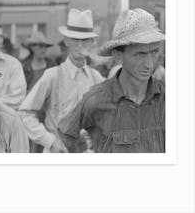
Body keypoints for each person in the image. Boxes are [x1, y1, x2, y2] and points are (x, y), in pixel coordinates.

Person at [58, 8, 165, 153]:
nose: (149, 64)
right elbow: (66, 132)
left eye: (154, 52)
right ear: (118, 56)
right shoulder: (96, 99)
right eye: (140, 54)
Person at [19, 8, 105, 153]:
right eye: (75, 39)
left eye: (84, 40)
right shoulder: (52, 75)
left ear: (91, 42)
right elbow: (25, 114)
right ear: (66, 41)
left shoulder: (96, 78)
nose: (79, 45)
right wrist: (50, 141)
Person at [21, 31, 56, 152]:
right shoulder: (24, 67)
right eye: (40, 46)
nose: (43, 49)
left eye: (45, 46)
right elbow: (21, 90)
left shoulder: (52, 65)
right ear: (32, 47)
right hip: (30, 112)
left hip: (47, 112)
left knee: (47, 144)